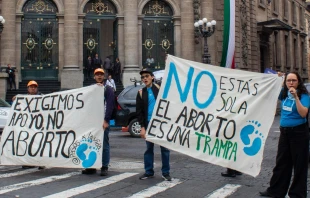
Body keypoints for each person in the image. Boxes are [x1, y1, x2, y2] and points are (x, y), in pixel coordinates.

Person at [259, 72, 309, 198]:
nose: (291, 83)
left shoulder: (304, 95)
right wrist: (276, 78)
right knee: (281, 162)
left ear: (298, 82)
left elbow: (303, 113)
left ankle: (297, 193)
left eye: (294, 80)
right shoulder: (283, 93)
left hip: (299, 132)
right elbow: (268, 91)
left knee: (299, 164)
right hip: (285, 132)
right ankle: (275, 190)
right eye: (288, 81)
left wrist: (296, 97)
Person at [136, 68, 172, 181]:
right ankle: (149, 171)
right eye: (143, 77)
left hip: (161, 123)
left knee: (165, 149)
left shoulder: (160, 89)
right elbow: (139, 112)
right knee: (148, 149)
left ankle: (166, 172)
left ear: (152, 77)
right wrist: (142, 127)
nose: (144, 78)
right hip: (148, 123)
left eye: (147, 76)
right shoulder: (141, 93)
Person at [81, 68, 115, 176]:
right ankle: (92, 166)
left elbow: (110, 106)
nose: (99, 76)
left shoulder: (108, 89)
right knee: (91, 143)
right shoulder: (91, 88)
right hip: (92, 121)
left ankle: (104, 166)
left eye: (101, 74)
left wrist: (106, 120)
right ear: (94, 76)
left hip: (102, 121)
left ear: (104, 76)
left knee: (104, 144)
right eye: (97, 74)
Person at [13, 80, 44, 170]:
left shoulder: (42, 97)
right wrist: (16, 98)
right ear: (28, 88)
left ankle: (42, 161)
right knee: (28, 143)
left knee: (39, 144)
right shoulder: (24, 98)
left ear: (37, 88)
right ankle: (29, 162)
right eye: (31, 87)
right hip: (28, 126)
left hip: (39, 125)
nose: (33, 88)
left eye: (34, 87)